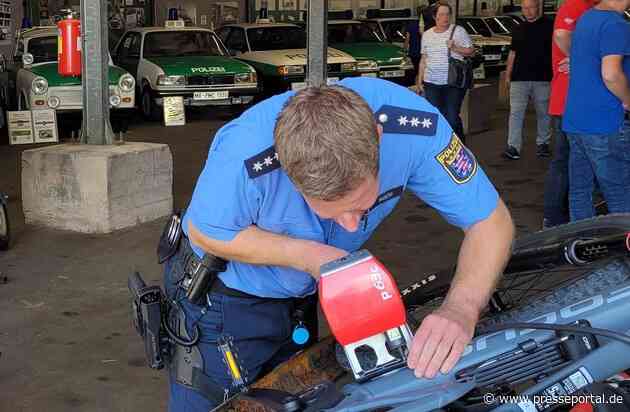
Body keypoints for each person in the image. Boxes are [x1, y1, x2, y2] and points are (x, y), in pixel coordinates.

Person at [163, 76, 515, 411]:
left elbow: (491, 221)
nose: (352, 224)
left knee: (297, 399)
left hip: (299, 301)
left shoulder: (414, 128)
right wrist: (313, 257)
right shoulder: (245, 153)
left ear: (378, 138)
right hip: (222, 302)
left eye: (362, 205)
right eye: (332, 213)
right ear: (288, 173)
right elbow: (207, 230)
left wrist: (462, 307)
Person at [562, 0, 630, 221]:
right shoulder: (615, 24)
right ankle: (623, 251)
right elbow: (610, 74)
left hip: (575, 119)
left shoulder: (586, 18)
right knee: (619, 194)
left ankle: (583, 248)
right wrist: (628, 99)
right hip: (604, 121)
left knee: (580, 192)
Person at [543, 0, 597, 227]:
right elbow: (561, 35)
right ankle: (556, 218)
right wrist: (582, 60)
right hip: (569, 102)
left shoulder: (591, 8)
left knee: (572, 162)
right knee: (569, 162)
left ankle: (560, 217)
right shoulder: (576, 4)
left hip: (574, 101)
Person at [416, 1, 475, 142]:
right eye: (441, 14)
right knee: (437, 117)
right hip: (431, 84)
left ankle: (460, 146)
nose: (445, 18)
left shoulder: (458, 31)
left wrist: (455, 48)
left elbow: (471, 52)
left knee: (452, 117)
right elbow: (424, 59)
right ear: (434, 16)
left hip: (452, 83)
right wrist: (419, 81)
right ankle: (442, 146)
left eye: (448, 14)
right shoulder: (427, 35)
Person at [503, 0, 553, 160]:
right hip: (519, 78)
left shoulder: (550, 26)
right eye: (525, 8)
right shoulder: (518, 28)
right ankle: (513, 147)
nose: (528, 11)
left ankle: (543, 144)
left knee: (544, 113)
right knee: (516, 113)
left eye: (531, 7)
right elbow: (512, 53)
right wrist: (508, 75)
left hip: (543, 78)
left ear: (538, 8)